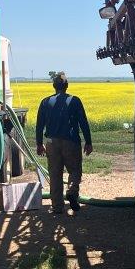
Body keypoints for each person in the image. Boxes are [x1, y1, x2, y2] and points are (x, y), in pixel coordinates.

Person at [36, 74, 93, 213]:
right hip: (71, 142)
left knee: (55, 174)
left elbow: (39, 125)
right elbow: (83, 122)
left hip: (51, 142)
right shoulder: (74, 101)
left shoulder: (45, 102)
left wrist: (39, 143)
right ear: (67, 86)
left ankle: (57, 207)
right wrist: (88, 142)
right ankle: (72, 191)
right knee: (74, 170)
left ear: (54, 86)